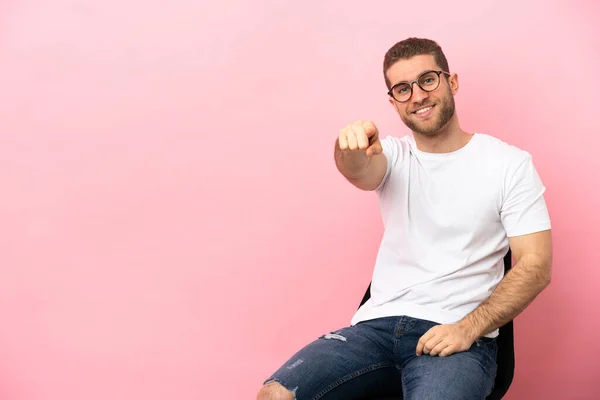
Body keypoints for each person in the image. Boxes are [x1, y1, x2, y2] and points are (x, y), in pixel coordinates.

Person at [256, 37, 552, 400]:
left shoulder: (509, 164)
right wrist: (348, 146)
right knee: (276, 395)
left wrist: (467, 328)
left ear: (451, 81)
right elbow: (358, 169)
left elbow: (536, 265)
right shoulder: (393, 156)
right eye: (403, 88)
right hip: (374, 330)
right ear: (393, 102)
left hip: (455, 335)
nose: (417, 96)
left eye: (428, 80)